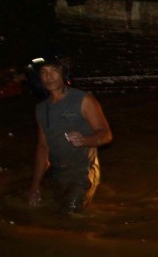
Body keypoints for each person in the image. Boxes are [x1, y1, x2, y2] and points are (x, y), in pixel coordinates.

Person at [27, 53, 112, 217]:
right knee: (45, 212)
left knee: (66, 218)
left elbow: (106, 134)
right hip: (59, 175)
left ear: (63, 73)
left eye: (54, 71)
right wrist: (35, 186)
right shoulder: (41, 109)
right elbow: (43, 148)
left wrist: (85, 140)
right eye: (44, 72)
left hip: (83, 175)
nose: (49, 76)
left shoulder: (84, 100)